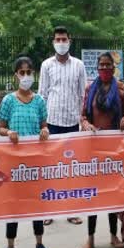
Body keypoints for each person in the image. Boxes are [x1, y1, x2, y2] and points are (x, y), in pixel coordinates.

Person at [0, 56, 51, 248]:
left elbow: (44, 126)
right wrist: (8, 132)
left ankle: (39, 243)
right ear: (16, 75)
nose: (26, 76)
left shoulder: (39, 101)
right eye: (22, 72)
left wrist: (45, 130)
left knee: (36, 204)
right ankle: (10, 247)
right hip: (14, 163)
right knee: (14, 204)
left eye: (29, 72)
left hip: (35, 162)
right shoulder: (8, 101)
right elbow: (1, 128)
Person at [80, 52, 124, 248]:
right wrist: (86, 125)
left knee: (112, 194)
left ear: (114, 67)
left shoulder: (120, 89)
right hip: (93, 149)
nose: (104, 69)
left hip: (114, 149)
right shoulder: (89, 89)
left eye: (108, 65)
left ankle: (113, 236)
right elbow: (83, 115)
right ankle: (90, 238)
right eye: (101, 65)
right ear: (97, 68)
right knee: (93, 195)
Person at [38, 26, 86, 225]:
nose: (61, 43)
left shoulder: (79, 65)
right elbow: (42, 94)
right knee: (50, 168)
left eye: (64, 39)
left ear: (70, 41)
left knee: (70, 168)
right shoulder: (46, 65)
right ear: (53, 41)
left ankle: (70, 210)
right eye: (57, 39)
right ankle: (48, 211)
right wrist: (42, 124)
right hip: (52, 122)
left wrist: (83, 119)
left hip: (72, 122)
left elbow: (83, 94)